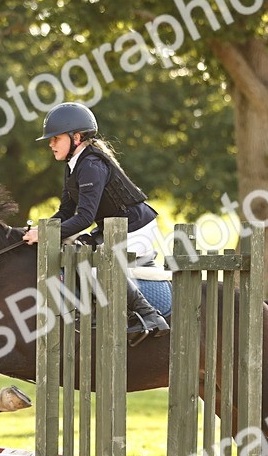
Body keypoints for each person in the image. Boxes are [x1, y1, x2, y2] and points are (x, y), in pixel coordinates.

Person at [22, 102, 169, 344]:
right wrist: (42, 230)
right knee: (74, 250)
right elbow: (66, 210)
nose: (50, 144)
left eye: (56, 138)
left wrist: (47, 235)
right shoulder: (73, 165)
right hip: (112, 228)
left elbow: (85, 218)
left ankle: (149, 316)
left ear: (76, 137)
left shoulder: (91, 165)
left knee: (93, 264)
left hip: (137, 229)